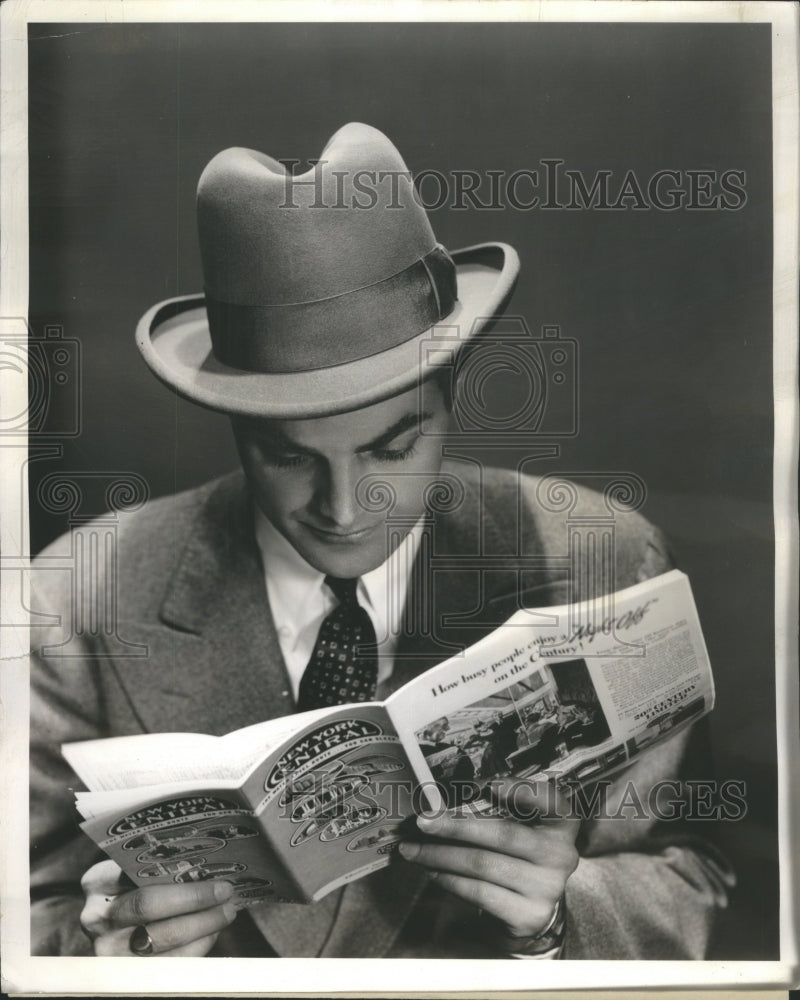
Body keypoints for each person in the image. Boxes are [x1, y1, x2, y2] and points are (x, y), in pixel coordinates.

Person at [29, 123, 732, 960]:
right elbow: (21, 916)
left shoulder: (603, 565)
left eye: (391, 448)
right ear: (231, 424)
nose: (342, 507)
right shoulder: (76, 598)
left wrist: (560, 911)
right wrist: (104, 951)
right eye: (286, 455)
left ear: (457, 394)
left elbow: (700, 880)